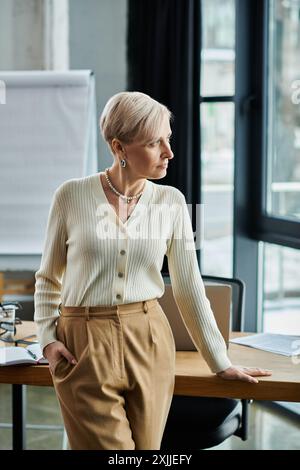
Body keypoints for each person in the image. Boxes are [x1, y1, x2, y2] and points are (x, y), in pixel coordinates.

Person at [34, 91, 272, 450]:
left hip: (150, 338)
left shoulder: (172, 202)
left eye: (168, 139)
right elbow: (48, 278)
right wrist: (48, 339)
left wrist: (219, 360)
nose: (168, 152)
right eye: (153, 142)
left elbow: (190, 288)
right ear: (120, 148)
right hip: (84, 343)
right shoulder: (70, 196)